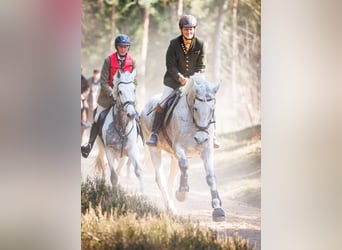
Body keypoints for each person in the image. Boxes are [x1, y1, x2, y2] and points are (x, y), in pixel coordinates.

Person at [146, 14, 219, 148]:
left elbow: (201, 66)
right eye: (186, 29)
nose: (189, 32)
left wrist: (194, 80)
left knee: (208, 101)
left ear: (194, 29)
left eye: (191, 29)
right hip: (173, 81)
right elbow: (170, 65)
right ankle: (154, 134)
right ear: (181, 30)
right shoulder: (174, 44)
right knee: (162, 103)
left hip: (194, 82)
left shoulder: (201, 44)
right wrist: (180, 78)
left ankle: (213, 135)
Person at [81, 34, 137, 158]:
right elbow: (104, 82)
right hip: (108, 97)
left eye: (125, 47)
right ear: (117, 47)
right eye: (121, 46)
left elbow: (135, 80)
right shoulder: (108, 60)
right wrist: (112, 92)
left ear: (128, 48)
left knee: (136, 116)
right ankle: (89, 145)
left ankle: (140, 142)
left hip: (126, 98)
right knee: (96, 117)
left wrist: (130, 91)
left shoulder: (132, 61)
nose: (123, 49)